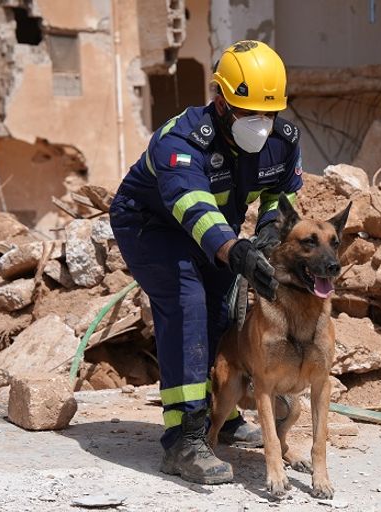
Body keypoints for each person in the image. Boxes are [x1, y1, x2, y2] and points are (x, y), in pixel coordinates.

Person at [109, 40, 303, 485]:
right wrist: (236, 251)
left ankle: (221, 413)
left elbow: (282, 193)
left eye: (269, 114)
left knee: (220, 312)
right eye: (249, 113)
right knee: (187, 303)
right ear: (220, 102)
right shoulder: (180, 141)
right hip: (152, 226)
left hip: (216, 230)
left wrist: (269, 230)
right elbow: (193, 207)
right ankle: (184, 439)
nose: (261, 125)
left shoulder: (282, 141)